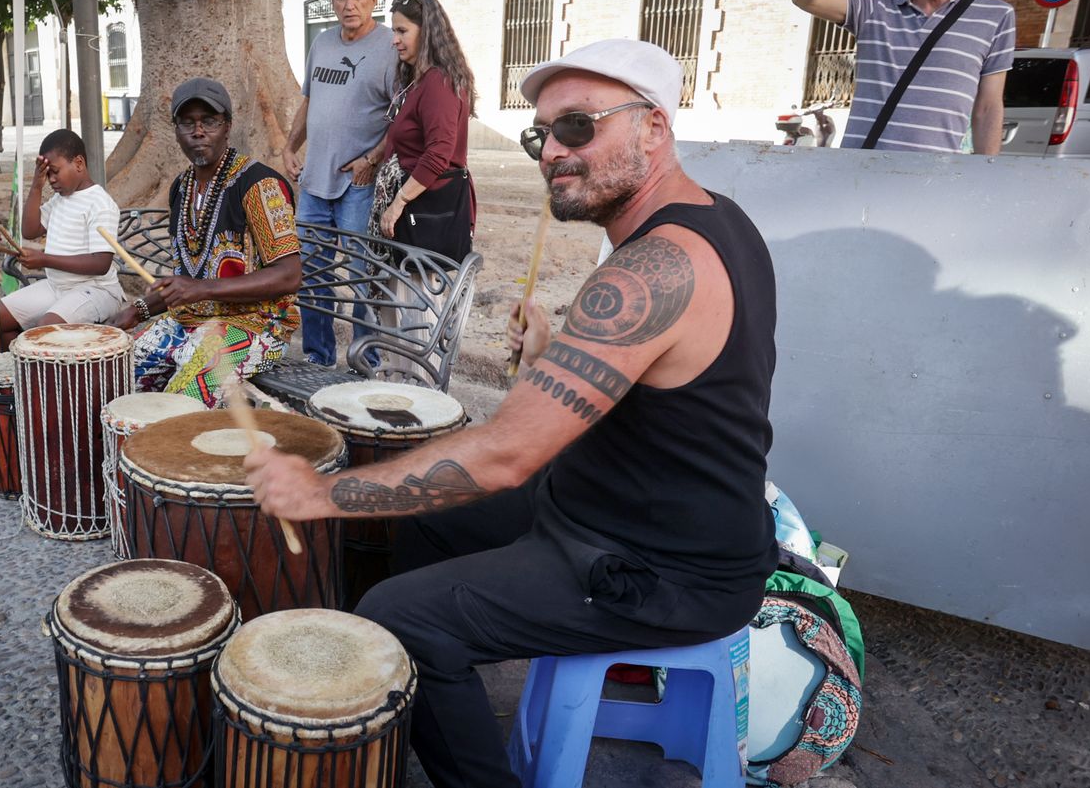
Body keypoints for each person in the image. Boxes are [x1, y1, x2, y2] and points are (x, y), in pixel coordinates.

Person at [244, 40, 778, 788]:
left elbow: (504, 453)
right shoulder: (712, 220)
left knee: (400, 613)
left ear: (654, 127)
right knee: (426, 519)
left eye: (579, 127)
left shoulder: (655, 266)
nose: (552, 151)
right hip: (619, 513)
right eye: (542, 134)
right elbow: (662, 388)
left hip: (663, 567)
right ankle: (433, 703)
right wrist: (553, 350)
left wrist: (320, 493)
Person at [111, 78, 302, 407]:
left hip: (255, 326)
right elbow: (185, 283)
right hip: (189, 321)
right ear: (176, 131)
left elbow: (289, 275)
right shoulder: (181, 188)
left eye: (209, 121)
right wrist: (138, 309)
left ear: (227, 127)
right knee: (115, 377)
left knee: (179, 404)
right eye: (188, 123)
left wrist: (201, 289)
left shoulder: (259, 185)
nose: (198, 131)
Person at [792, 0, 1014, 154]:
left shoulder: (995, 16)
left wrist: (984, 175)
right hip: (857, 170)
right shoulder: (874, 6)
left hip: (932, 178)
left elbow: (988, 107)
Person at [281, 0, 396, 367]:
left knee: (362, 276)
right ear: (332, 1)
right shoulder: (323, 43)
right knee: (312, 274)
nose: (349, 5)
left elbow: (401, 120)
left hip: (358, 185)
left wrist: (371, 158)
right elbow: (309, 103)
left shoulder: (390, 47)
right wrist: (290, 146)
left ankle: (366, 361)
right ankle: (318, 357)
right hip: (314, 181)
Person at [0, 129, 124, 344]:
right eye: (47, 174)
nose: (52, 179)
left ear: (79, 163)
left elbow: (101, 263)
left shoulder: (100, 203)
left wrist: (44, 259)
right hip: (57, 287)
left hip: (96, 290)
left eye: (55, 171)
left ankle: (41, 368)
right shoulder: (60, 199)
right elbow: (30, 230)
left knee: (44, 331)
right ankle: (19, 369)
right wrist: (37, 185)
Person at [376, 0, 477, 260]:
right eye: (393, 31)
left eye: (402, 31)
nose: (394, 40)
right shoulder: (417, 80)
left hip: (425, 212)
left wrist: (399, 203)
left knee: (416, 296)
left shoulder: (437, 83)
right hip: (415, 208)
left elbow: (438, 154)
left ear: (427, 33)